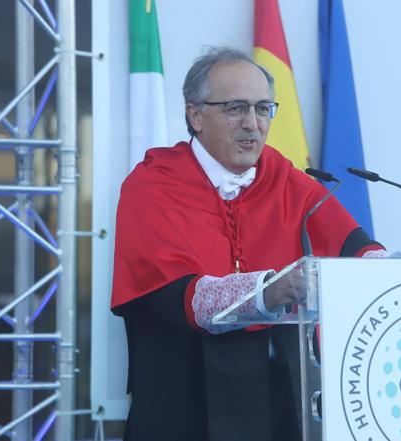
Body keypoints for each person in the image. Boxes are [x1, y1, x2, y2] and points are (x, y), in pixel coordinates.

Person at [111, 46, 385, 441]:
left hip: (279, 395)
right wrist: (264, 291)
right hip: (186, 397)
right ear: (195, 115)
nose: (253, 125)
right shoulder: (152, 186)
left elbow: (357, 247)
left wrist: (394, 270)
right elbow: (176, 294)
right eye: (236, 108)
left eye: (262, 109)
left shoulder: (283, 175)